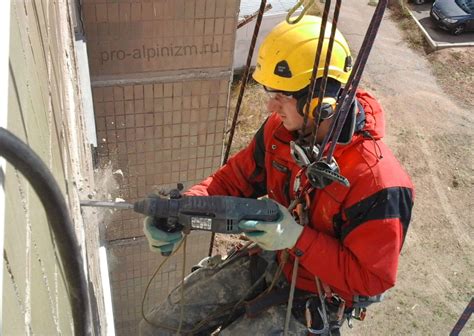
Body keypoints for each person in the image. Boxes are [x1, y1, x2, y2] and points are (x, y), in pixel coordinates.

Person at [140, 16, 414, 336]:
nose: (271, 106)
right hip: (274, 259)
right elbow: (234, 180)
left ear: (318, 102)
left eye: (281, 96)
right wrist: (182, 210)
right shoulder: (282, 131)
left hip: (317, 295)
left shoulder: (378, 183)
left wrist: (298, 238)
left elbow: (371, 280)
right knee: (155, 329)